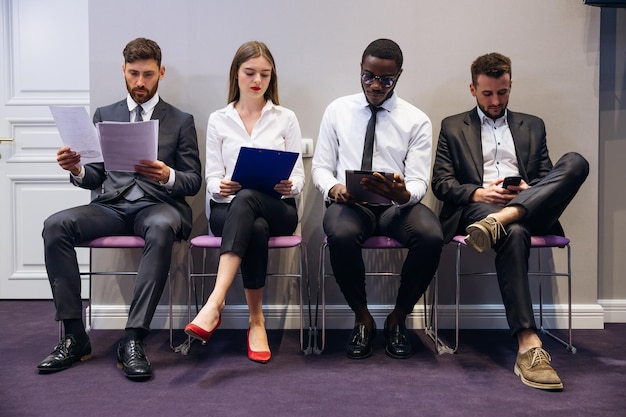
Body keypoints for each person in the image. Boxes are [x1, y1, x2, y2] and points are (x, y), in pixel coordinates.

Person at [37, 38, 202, 380]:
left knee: (160, 227)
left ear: (161, 73)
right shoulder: (104, 115)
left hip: (159, 206)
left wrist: (168, 175)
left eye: (148, 74)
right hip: (111, 206)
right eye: (133, 74)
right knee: (55, 225)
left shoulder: (181, 120)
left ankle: (133, 338)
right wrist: (77, 168)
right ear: (123, 72)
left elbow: (193, 181)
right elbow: (96, 173)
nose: (140, 83)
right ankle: (74, 336)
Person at [432, 52, 589, 390]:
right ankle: (528, 344)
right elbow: (441, 184)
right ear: (472, 89)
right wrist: (479, 194)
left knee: (576, 162)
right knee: (513, 229)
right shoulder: (452, 126)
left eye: (502, 92)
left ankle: (507, 215)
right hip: (479, 211)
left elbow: (549, 178)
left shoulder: (533, 125)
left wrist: (528, 191)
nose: (495, 100)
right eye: (487, 94)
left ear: (510, 85)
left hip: (526, 209)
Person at [311, 39, 443, 360]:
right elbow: (321, 167)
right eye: (368, 76)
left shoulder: (416, 119)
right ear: (360, 70)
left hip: (396, 208)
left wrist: (404, 193)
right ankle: (362, 318)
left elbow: (418, 181)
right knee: (340, 234)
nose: (375, 85)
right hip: (350, 204)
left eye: (386, 80)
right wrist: (334, 189)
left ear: (398, 76)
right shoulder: (338, 110)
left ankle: (399, 316)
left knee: (431, 236)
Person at [184, 41, 305, 364]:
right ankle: (256, 322)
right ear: (235, 75)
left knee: (253, 202)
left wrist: (290, 185)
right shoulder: (219, 119)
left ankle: (215, 302)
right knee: (255, 225)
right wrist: (220, 187)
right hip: (229, 211)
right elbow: (211, 178)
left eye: (265, 74)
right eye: (250, 73)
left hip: (279, 208)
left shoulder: (285, 117)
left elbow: (300, 178)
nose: (257, 80)